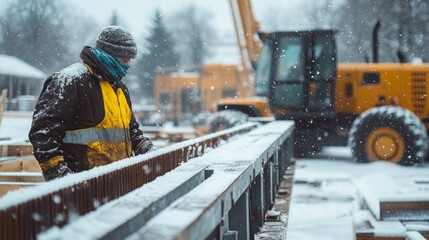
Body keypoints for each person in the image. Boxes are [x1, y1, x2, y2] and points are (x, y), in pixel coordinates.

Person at [29, 26, 157, 181]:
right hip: (83, 187)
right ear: (109, 55)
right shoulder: (71, 81)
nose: (127, 66)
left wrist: (150, 150)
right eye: (124, 60)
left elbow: (132, 132)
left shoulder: (119, 88)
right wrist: (59, 176)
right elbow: (43, 133)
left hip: (117, 183)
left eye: (129, 61)